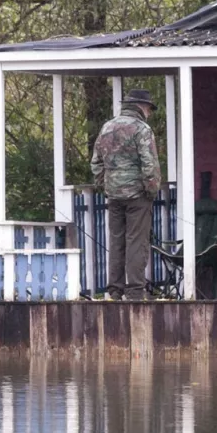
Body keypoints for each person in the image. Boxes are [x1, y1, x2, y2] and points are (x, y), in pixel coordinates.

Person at [90, 88, 162, 301]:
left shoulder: (107, 128)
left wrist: (106, 184)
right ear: (143, 106)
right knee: (136, 241)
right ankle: (135, 291)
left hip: (114, 195)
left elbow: (96, 162)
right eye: (149, 109)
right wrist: (151, 190)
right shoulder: (142, 129)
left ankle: (114, 290)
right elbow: (149, 164)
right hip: (137, 194)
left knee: (116, 240)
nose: (149, 113)